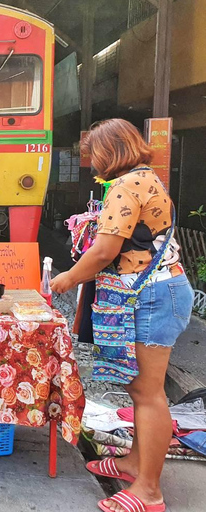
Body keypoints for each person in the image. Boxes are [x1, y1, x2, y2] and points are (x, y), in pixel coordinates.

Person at [51, 119, 194, 512]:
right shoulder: (146, 178)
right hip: (157, 291)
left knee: (149, 395)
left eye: (94, 153)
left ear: (109, 150)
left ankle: (149, 491)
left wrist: (66, 279)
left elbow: (103, 252)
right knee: (139, 388)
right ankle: (135, 463)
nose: (92, 162)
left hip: (152, 295)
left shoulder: (125, 186)